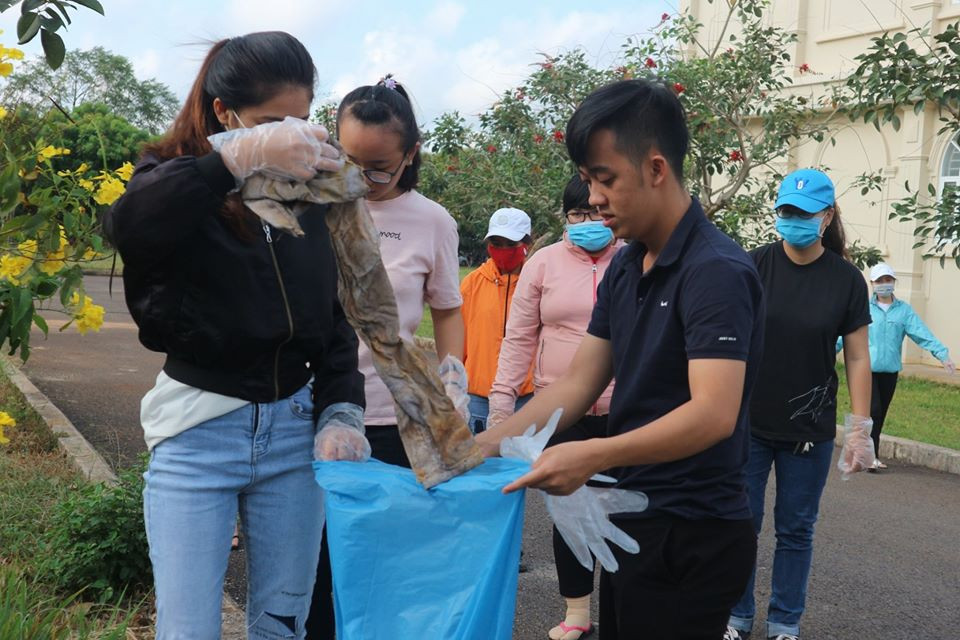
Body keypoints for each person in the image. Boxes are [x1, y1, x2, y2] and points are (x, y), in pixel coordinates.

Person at [477, 78, 765, 640]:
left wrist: (593, 453)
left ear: (656, 168)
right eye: (587, 182)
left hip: (695, 528)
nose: (595, 200)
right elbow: (579, 381)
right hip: (636, 513)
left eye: (604, 180)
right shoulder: (627, 267)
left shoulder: (716, 272)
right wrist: (485, 445)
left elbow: (713, 413)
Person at [102, 32, 368, 639]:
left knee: (282, 626)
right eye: (272, 124)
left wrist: (341, 408)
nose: (290, 139)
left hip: (294, 439)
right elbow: (130, 225)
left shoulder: (308, 196)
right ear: (224, 113)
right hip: (198, 433)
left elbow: (331, 317)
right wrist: (230, 162)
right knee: (188, 628)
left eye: (300, 121)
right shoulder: (174, 180)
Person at [306, 75, 464, 639]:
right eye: (349, 161)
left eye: (379, 168)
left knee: (385, 564)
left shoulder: (433, 221)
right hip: (312, 412)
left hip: (392, 418)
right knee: (315, 570)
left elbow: (446, 309)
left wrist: (452, 378)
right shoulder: (312, 205)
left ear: (411, 156)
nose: (362, 180)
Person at [725, 169, 873, 640]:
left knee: (796, 531)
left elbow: (857, 354)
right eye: (786, 211)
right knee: (739, 525)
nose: (793, 220)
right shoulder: (752, 266)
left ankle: (784, 622)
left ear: (826, 217)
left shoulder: (846, 280)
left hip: (807, 431)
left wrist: (860, 427)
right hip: (747, 423)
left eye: (805, 213)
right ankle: (737, 616)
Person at [486, 174, 623, 640]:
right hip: (560, 411)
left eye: (595, 212)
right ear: (564, 217)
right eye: (576, 214)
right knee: (571, 513)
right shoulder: (543, 263)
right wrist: (502, 405)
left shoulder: (632, 258)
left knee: (625, 514)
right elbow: (519, 337)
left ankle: (623, 613)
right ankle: (577, 613)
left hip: (625, 412)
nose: (587, 222)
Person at [841, 262, 954, 471]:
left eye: (888, 280)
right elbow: (845, 333)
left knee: (880, 413)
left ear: (893, 282)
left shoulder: (903, 311)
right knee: (872, 410)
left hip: (890, 371)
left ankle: (864, 453)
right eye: (880, 281)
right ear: (872, 284)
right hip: (867, 369)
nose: (885, 284)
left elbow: (921, 333)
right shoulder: (864, 307)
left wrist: (942, 354)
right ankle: (869, 456)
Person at [459, 207, 535, 434]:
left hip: (527, 399)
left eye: (510, 244)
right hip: (478, 399)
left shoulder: (538, 282)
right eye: (496, 243)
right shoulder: (471, 283)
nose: (502, 250)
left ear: (526, 244)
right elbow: (458, 341)